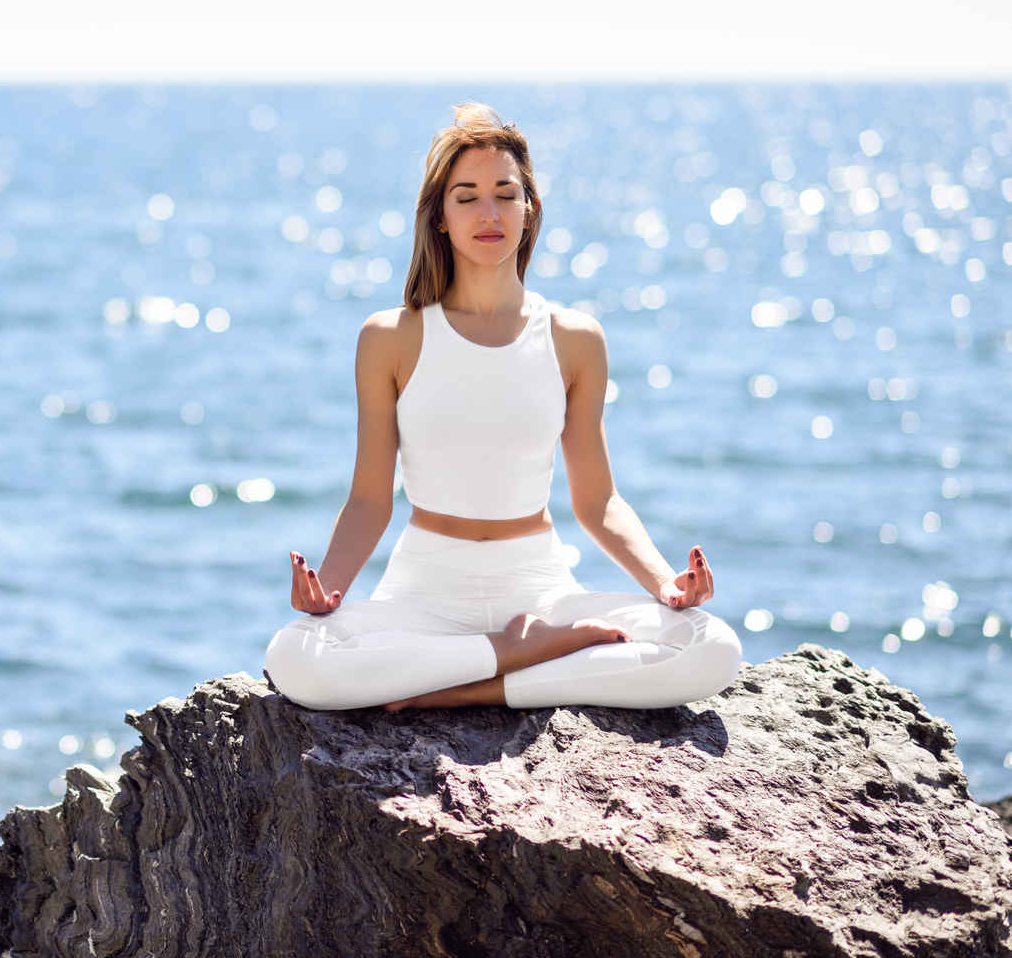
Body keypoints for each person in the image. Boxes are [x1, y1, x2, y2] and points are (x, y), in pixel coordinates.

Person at [261, 103, 742, 712]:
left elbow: (598, 503)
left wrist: (666, 586)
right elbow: (369, 500)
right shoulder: (390, 338)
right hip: (424, 591)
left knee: (712, 646)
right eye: (466, 197)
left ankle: (480, 685)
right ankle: (514, 655)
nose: (488, 213)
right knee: (295, 657)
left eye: (504, 194)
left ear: (528, 208)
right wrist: (327, 590)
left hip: (540, 587)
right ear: (439, 217)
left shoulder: (575, 339)